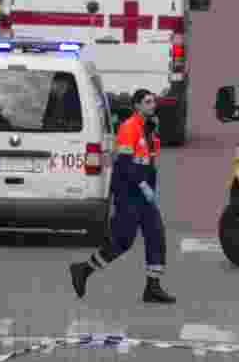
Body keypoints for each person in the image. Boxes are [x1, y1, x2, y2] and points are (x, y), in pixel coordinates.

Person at [70, 89, 175, 303]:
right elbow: (125, 164)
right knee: (122, 242)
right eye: (147, 102)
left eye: (153, 101)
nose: (152, 105)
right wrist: (143, 185)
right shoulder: (129, 128)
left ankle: (152, 287)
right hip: (128, 192)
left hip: (143, 194)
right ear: (137, 106)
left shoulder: (149, 130)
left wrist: (150, 190)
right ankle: (83, 270)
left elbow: (149, 164)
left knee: (156, 235)